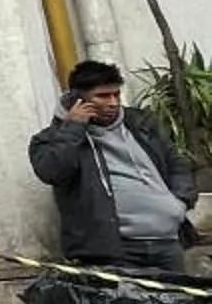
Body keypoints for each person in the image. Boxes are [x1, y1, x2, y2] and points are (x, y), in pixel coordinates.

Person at [28, 59, 202, 276]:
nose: (112, 103)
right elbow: (52, 171)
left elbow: (177, 162)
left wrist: (180, 202)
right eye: (102, 96)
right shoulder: (49, 140)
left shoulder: (141, 124)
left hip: (167, 242)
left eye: (116, 95)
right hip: (115, 252)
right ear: (78, 99)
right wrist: (73, 128)